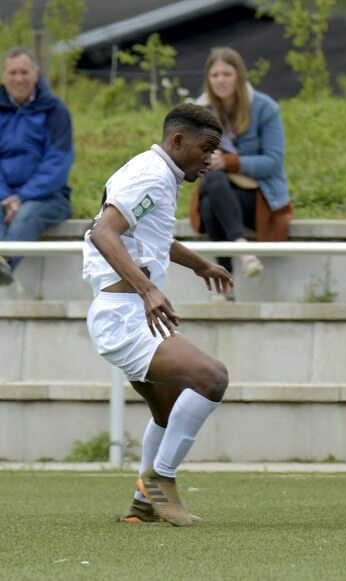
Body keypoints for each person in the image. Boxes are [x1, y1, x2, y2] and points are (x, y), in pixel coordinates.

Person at [83, 104, 232, 526]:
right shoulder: (151, 176)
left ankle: (142, 506)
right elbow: (103, 232)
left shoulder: (155, 172)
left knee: (167, 411)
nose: (210, 159)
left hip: (124, 313)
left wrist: (200, 264)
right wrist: (148, 289)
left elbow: (146, 237)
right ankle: (160, 482)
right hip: (124, 316)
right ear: (177, 141)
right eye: (206, 148)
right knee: (212, 378)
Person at [188, 47, 292, 293]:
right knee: (211, 190)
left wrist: (229, 162)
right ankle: (241, 252)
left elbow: (273, 161)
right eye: (215, 75)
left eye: (227, 74)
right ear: (208, 79)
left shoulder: (265, 108)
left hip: (258, 199)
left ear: (239, 76)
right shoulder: (200, 112)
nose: (221, 81)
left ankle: (225, 283)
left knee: (212, 192)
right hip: (219, 193)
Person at [0, 47, 73, 285]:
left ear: (36, 74)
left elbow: (57, 163)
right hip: (3, 197)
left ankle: (4, 266)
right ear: (3, 75)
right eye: (12, 73)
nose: (19, 79)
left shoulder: (56, 111)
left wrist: (21, 197)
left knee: (26, 215)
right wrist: (6, 197)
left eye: (24, 72)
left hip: (49, 197)